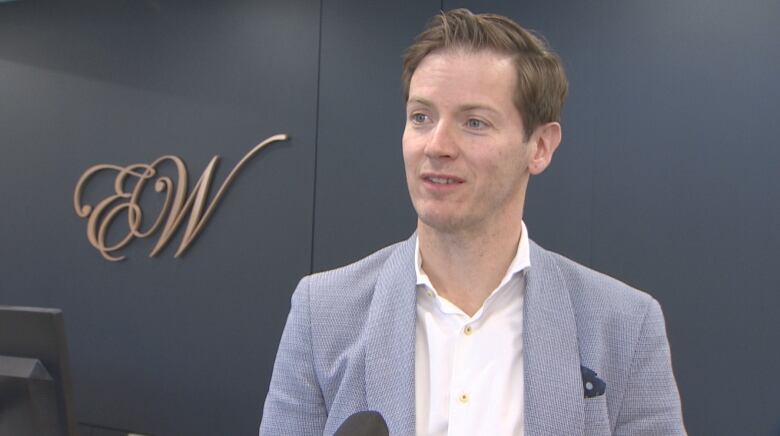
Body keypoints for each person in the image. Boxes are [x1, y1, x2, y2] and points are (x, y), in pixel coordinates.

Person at [260, 8, 685, 436]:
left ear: (539, 146)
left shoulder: (624, 324)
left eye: (474, 122)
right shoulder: (323, 313)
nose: (437, 145)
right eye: (421, 117)